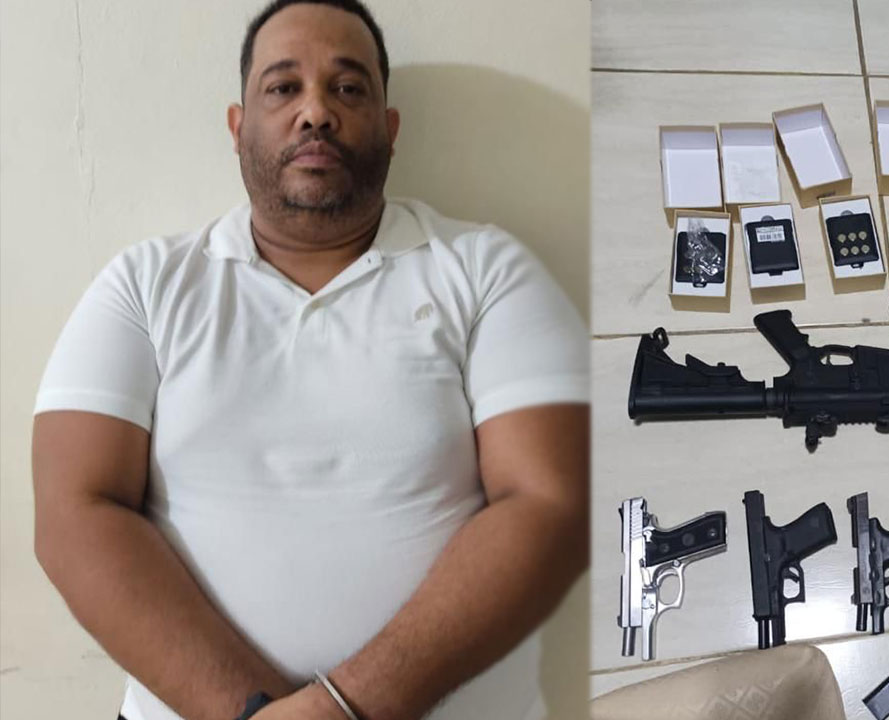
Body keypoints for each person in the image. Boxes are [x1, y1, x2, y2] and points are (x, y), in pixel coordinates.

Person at [30, 1, 588, 718]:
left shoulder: (485, 270)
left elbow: (550, 504)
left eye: (348, 88)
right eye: (283, 87)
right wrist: (252, 711)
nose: (316, 112)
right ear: (238, 128)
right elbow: (74, 512)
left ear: (389, 129)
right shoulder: (145, 285)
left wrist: (341, 708)